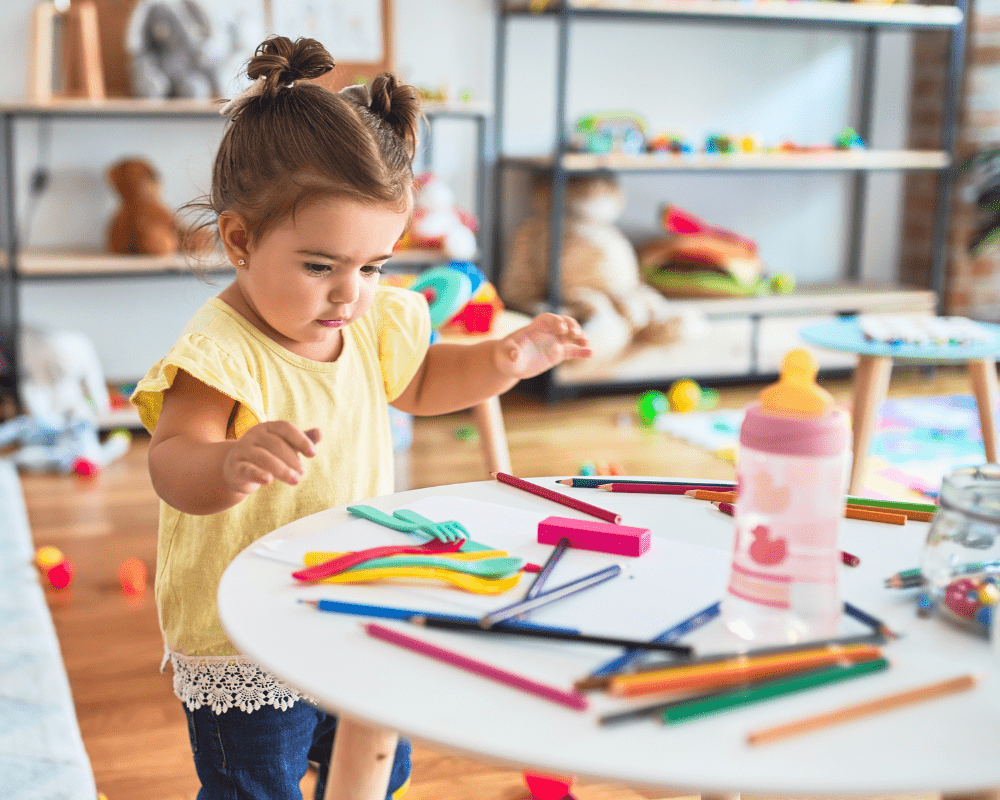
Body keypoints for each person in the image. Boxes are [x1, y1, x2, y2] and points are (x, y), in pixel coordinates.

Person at [130, 35, 591, 800]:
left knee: (376, 762)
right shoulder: (221, 349)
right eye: (322, 266)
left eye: (373, 265)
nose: (351, 293)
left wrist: (502, 362)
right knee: (257, 784)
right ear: (240, 239)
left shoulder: (366, 322)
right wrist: (229, 463)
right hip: (243, 631)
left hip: (350, 594)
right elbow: (173, 459)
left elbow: (420, 382)